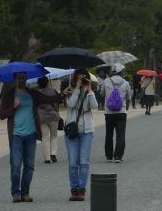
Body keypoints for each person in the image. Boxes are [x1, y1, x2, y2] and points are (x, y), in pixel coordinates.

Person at [0, 71, 49, 202]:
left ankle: (25, 192)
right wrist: (14, 107)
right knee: (16, 166)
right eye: (19, 78)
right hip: (16, 135)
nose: (22, 80)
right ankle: (16, 192)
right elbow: (2, 115)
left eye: (24, 78)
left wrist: (62, 95)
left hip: (31, 135)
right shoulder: (10, 95)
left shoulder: (31, 93)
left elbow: (46, 99)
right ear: (15, 79)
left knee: (29, 165)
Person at [63, 70, 98, 201]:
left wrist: (89, 91)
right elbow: (71, 104)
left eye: (83, 79)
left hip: (87, 131)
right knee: (73, 162)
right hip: (72, 130)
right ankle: (74, 189)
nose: (81, 81)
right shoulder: (69, 90)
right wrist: (77, 88)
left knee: (84, 162)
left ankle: (82, 189)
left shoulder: (89, 91)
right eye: (79, 79)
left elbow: (94, 106)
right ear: (74, 79)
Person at [100, 64, 132, 163]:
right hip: (121, 112)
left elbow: (101, 94)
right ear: (121, 71)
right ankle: (118, 156)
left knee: (109, 135)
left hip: (109, 113)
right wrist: (126, 107)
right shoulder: (126, 83)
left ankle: (109, 156)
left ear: (112, 71)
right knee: (120, 135)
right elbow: (128, 97)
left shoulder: (106, 81)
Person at [36, 77, 63, 164]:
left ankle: (47, 158)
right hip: (53, 117)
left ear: (38, 84)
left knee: (45, 138)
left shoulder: (36, 93)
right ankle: (53, 153)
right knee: (54, 136)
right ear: (47, 83)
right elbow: (58, 102)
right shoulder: (53, 91)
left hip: (42, 117)